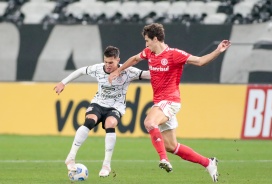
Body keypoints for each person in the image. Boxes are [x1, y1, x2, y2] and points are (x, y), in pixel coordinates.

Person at [109, 23, 231, 182]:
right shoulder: (149, 52)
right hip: (161, 103)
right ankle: (208, 163)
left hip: (170, 101)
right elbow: (134, 59)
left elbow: (200, 61)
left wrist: (218, 51)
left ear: (155, 39)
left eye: (147, 41)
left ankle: (164, 160)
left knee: (149, 122)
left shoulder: (174, 55)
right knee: (171, 146)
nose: (145, 45)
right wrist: (119, 70)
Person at [54, 46, 150, 177]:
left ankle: (106, 165)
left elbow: (146, 74)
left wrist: (165, 71)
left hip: (116, 107)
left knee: (110, 124)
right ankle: (71, 157)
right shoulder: (98, 69)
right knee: (89, 121)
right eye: (106, 62)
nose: (108, 65)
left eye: (111, 62)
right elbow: (81, 71)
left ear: (118, 60)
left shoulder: (128, 71)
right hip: (98, 103)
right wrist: (63, 83)